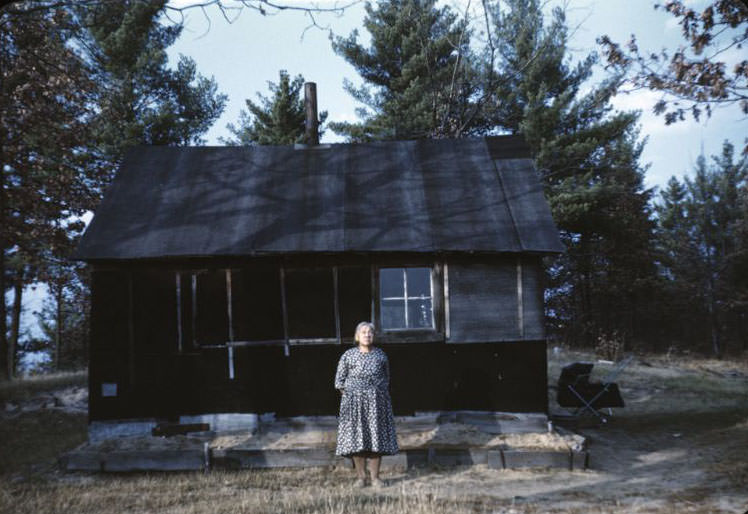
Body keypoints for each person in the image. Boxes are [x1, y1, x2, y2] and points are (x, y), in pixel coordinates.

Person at [334, 321, 398, 488]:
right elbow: (339, 381)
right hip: (354, 404)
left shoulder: (381, 355)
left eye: (370, 332)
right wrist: (354, 398)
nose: (367, 335)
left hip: (377, 403)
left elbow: (386, 378)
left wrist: (375, 396)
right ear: (357, 336)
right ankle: (361, 478)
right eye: (363, 332)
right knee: (357, 440)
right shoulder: (348, 355)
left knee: (376, 439)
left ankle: (375, 478)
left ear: (373, 336)